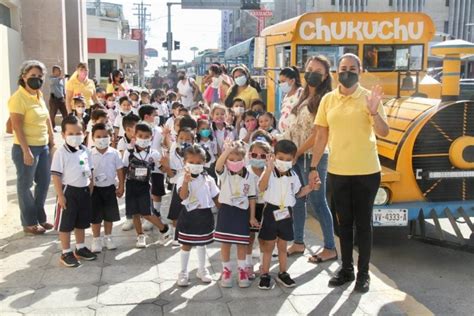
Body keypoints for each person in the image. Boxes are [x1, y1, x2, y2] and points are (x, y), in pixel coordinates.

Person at [309, 53, 389, 293]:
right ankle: (346, 269)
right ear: (336, 72)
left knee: (363, 224)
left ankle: (363, 274)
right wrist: (313, 167)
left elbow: (384, 132)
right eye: (343, 68)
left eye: (352, 68)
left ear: (360, 71)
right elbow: (321, 135)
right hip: (337, 171)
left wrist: (374, 112)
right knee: (343, 224)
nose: (347, 72)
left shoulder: (369, 98)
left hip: (366, 172)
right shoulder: (328, 100)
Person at [283, 56, 337, 262]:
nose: (312, 73)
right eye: (309, 68)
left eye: (318, 70)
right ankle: (298, 242)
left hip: (313, 156)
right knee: (297, 198)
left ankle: (330, 247)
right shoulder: (304, 95)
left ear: (325, 76)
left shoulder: (326, 98)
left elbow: (317, 133)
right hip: (296, 156)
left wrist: (297, 152)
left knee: (317, 201)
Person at [258, 140, 317, 290]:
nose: (284, 162)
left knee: (283, 245)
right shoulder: (269, 173)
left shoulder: (293, 175)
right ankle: (265, 274)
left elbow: (298, 193)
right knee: (269, 246)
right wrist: (269, 169)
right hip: (271, 211)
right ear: (274, 156)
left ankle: (283, 272)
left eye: (288, 159)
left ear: (293, 159)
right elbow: (261, 187)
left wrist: (310, 187)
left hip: (286, 213)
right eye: (281, 158)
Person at [8, 60, 55, 235]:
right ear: (23, 77)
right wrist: (26, 151)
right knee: (25, 185)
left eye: (39, 76)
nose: (36, 79)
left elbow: (47, 119)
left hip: (42, 146)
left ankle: (40, 217)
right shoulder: (17, 98)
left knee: (43, 182)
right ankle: (28, 222)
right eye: (33, 76)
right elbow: (17, 126)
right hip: (25, 148)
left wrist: (52, 140)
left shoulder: (38, 95)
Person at [51, 116, 97, 267]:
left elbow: (90, 169)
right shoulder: (61, 153)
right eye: (70, 133)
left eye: (78, 133)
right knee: (66, 224)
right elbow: (56, 175)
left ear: (84, 133)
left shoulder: (85, 150)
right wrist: (60, 195)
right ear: (63, 135)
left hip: (83, 191)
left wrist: (91, 184)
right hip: (68, 192)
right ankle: (66, 252)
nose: (75, 137)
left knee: (81, 222)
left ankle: (80, 247)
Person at [214, 140, 259, 288]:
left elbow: (252, 198)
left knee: (241, 243)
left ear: (244, 159)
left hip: (242, 213)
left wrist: (252, 217)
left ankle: (242, 271)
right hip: (226, 211)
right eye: (231, 160)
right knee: (225, 243)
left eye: (238, 159)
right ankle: (226, 271)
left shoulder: (250, 177)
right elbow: (218, 166)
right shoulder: (225, 173)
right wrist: (226, 151)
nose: (234, 162)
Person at [176, 145, 220, 286]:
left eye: (198, 163)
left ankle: (202, 269)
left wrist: (225, 212)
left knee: (202, 244)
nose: (195, 165)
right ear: (185, 162)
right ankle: (183, 271)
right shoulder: (182, 178)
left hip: (205, 214)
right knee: (186, 244)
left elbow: (216, 197)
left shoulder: (209, 179)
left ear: (204, 162)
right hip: (189, 215)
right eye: (191, 162)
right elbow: (183, 196)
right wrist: (186, 182)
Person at [122, 123, 170, 248]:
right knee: (135, 213)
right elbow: (123, 168)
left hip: (145, 185)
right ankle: (140, 235)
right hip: (131, 185)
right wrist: (121, 186)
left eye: (147, 136)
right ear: (135, 135)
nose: (143, 139)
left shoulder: (154, 154)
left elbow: (162, 169)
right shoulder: (129, 152)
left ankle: (164, 229)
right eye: (140, 136)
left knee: (147, 212)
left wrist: (165, 164)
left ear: (151, 137)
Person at [90, 123, 125, 253]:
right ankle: (96, 239)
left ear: (110, 137)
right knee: (96, 216)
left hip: (110, 188)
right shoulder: (89, 153)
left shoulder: (114, 153)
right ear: (93, 137)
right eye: (98, 136)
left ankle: (108, 237)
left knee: (109, 215)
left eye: (105, 136)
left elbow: (120, 170)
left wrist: (121, 185)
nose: (102, 139)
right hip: (95, 189)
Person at [246, 140, 272, 279]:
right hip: (249, 208)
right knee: (249, 238)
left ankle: (263, 265)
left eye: (263, 156)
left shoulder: (270, 172)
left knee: (264, 239)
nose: (258, 158)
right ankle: (248, 265)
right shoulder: (245, 172)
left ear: (268, 157)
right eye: (255, 154)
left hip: (265, 207)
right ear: (249, 155)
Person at [277, 66, 304, 132]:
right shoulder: (285, 96)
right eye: (279, 82)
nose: (281, 84)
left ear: (292, 81)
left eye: (283, 81)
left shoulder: (300, 92)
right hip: (285, 134)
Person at [48, 65, 67, 129]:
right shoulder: (51, 78)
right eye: (58, 71)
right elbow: (53, 82)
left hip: (61, 99)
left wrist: (65, 95)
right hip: (54, 99)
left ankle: (66, 127)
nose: (60, 72)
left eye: (60, 71)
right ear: (54, 72)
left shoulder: (60, 80)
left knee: (65, 114)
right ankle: (51, 128)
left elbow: (62, 88)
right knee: (52, 115)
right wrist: (60, 78)